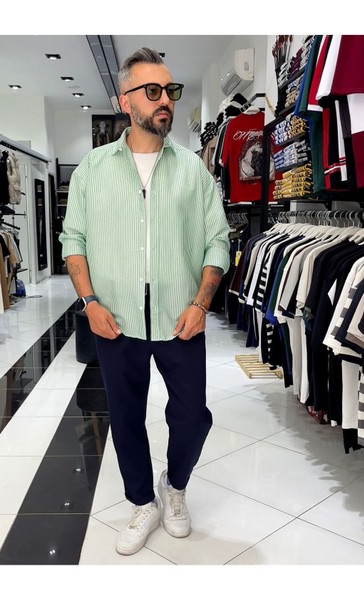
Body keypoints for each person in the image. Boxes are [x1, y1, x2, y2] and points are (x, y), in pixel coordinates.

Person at [59, 47, 230, 556]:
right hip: (115, 319)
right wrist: (89, 302)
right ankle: (141, 501)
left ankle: (174, 487)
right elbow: (73, 240)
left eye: (170, 91)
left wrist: (200, 304)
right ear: (125, 101)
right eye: (152, 91)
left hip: (181, 318)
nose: (165, 101)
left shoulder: (193, 171)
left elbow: (217, 241)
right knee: (125, 416)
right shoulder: (93, 169)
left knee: (192, 415)